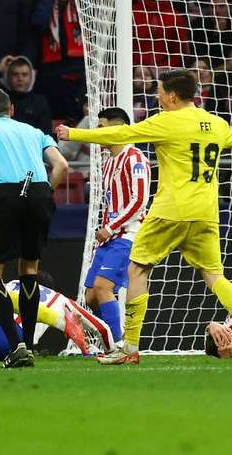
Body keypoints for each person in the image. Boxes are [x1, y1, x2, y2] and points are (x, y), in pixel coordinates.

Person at [56, 69, 232, 365]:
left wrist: (74, 133)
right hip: (206, 213)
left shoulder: (165, 122)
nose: (157, 97)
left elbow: (121, 133)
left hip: (171, 210)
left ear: (171, 95)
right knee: (215, 276)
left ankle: (129, 347)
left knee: (137, 270)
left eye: (159, 92)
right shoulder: (216, 124)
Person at [0, 88, 69, 367]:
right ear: (12, 109)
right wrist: (46, 193)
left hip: (4, 195)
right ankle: (30, 343)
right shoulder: (35, 132)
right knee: (29, 269)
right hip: (38, 193)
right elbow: (61, 165)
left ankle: (17, 345)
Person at [82, 108, 151, 343]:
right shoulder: (110, 162)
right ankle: (112, 337)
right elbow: (110, 206)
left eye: (101, 128)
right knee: (91, 296)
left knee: (103, 288)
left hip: (127, 235)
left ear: (118, 128)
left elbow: (139, 201)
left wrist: (111, 229)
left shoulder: (135, 158)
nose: (97, 133)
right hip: (109, 238)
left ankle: (118, 344)